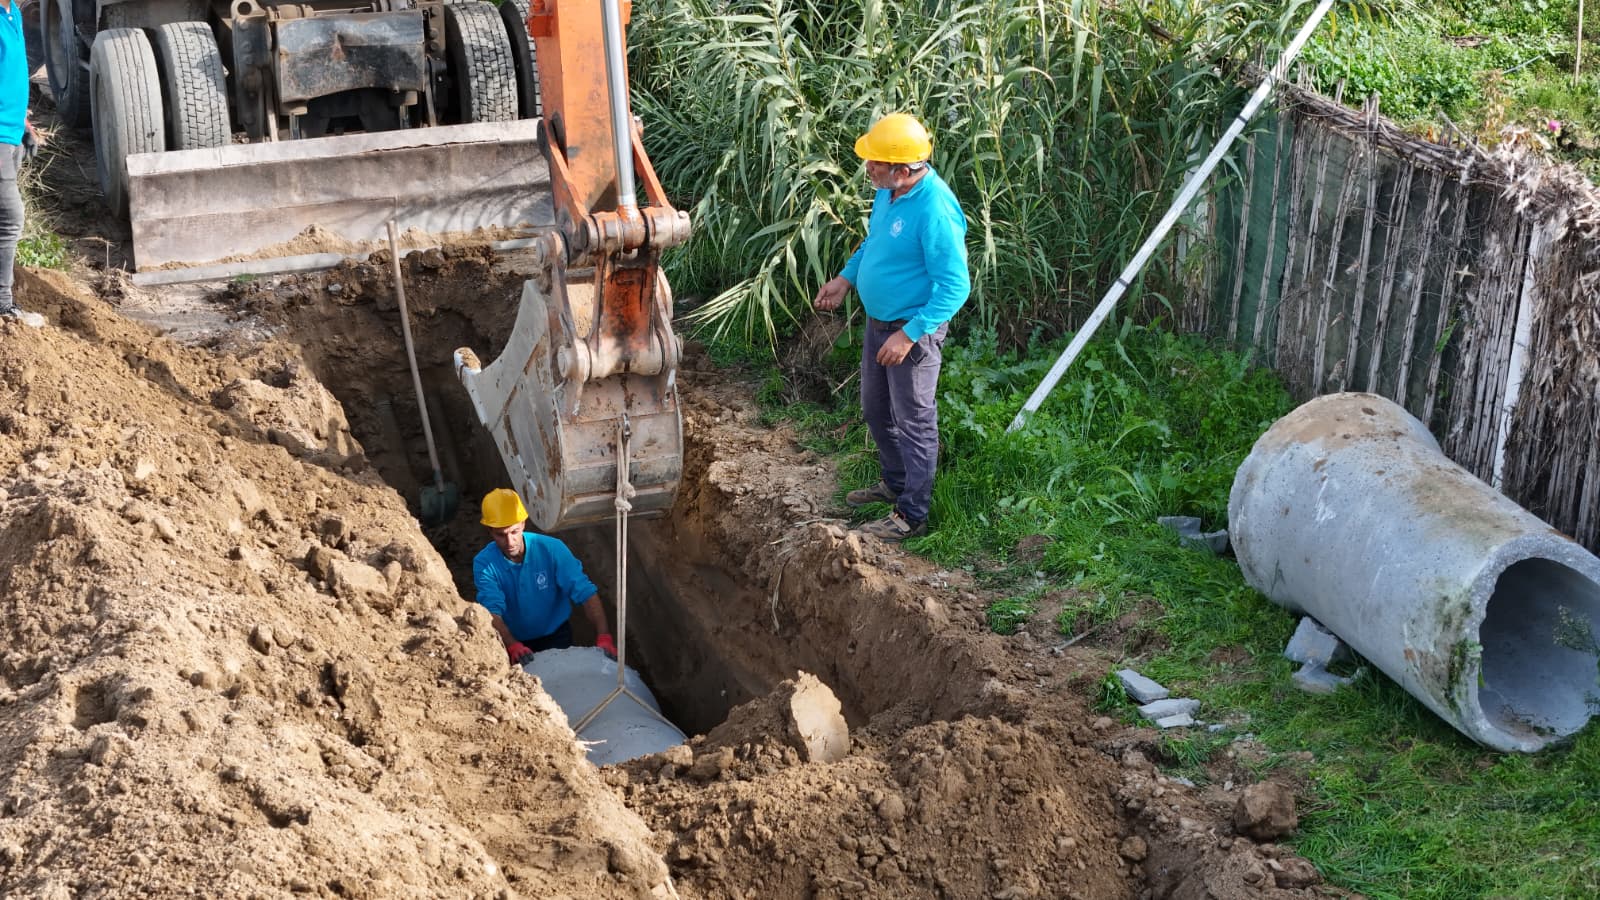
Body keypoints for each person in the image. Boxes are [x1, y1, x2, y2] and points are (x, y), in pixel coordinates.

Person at [813, 113, 970, 542]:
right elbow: (875, 242)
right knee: (877, 410)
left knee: (914, 421)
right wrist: (845, 279)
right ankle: (895, 482)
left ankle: (911, 515)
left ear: (902, 170)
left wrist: (909, 334)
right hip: (879, 323)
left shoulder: (935, 209)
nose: (868, 169)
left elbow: (955, 286)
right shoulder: (889, 193)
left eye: (875, 163)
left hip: (911, 331)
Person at [473, 488, 616, 665]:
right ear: (489, 531)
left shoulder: (552, 549)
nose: (509, 542)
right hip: (513, 639)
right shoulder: (484, 563)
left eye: (514, 532)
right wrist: (512, 645)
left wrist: (604, 635)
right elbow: (492, 610)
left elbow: (585, 593)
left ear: (523, 524)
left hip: (556, 635)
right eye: (500, 535)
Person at [0, 0, 43, 328]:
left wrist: (24, 124)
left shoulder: (12, 11)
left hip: (11, 132)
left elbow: (10, 75)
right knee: (10, 219)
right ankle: (3, 306)